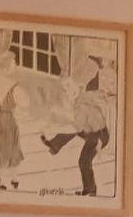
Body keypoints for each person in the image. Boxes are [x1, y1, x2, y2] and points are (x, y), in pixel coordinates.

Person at [40, 67, 111, 196]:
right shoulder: (80, 98)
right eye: (65, 89)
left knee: (84, 161)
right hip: (91, 131)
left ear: (76, 87)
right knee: (74, 128)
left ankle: (91, 190)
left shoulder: (81, 105)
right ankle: (55, 145)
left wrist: (50, 129)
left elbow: (76, 127)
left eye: (68, 87)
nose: (67, 92)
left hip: (98, 136)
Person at [0, 46, 24, 189]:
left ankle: (4, 178)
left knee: (3, 149)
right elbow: (23, 102)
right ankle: (1, 178)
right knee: (10, 150)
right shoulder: (12, 84)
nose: (14, 65)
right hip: (8, 119)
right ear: (6, 66)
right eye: (13, 62)